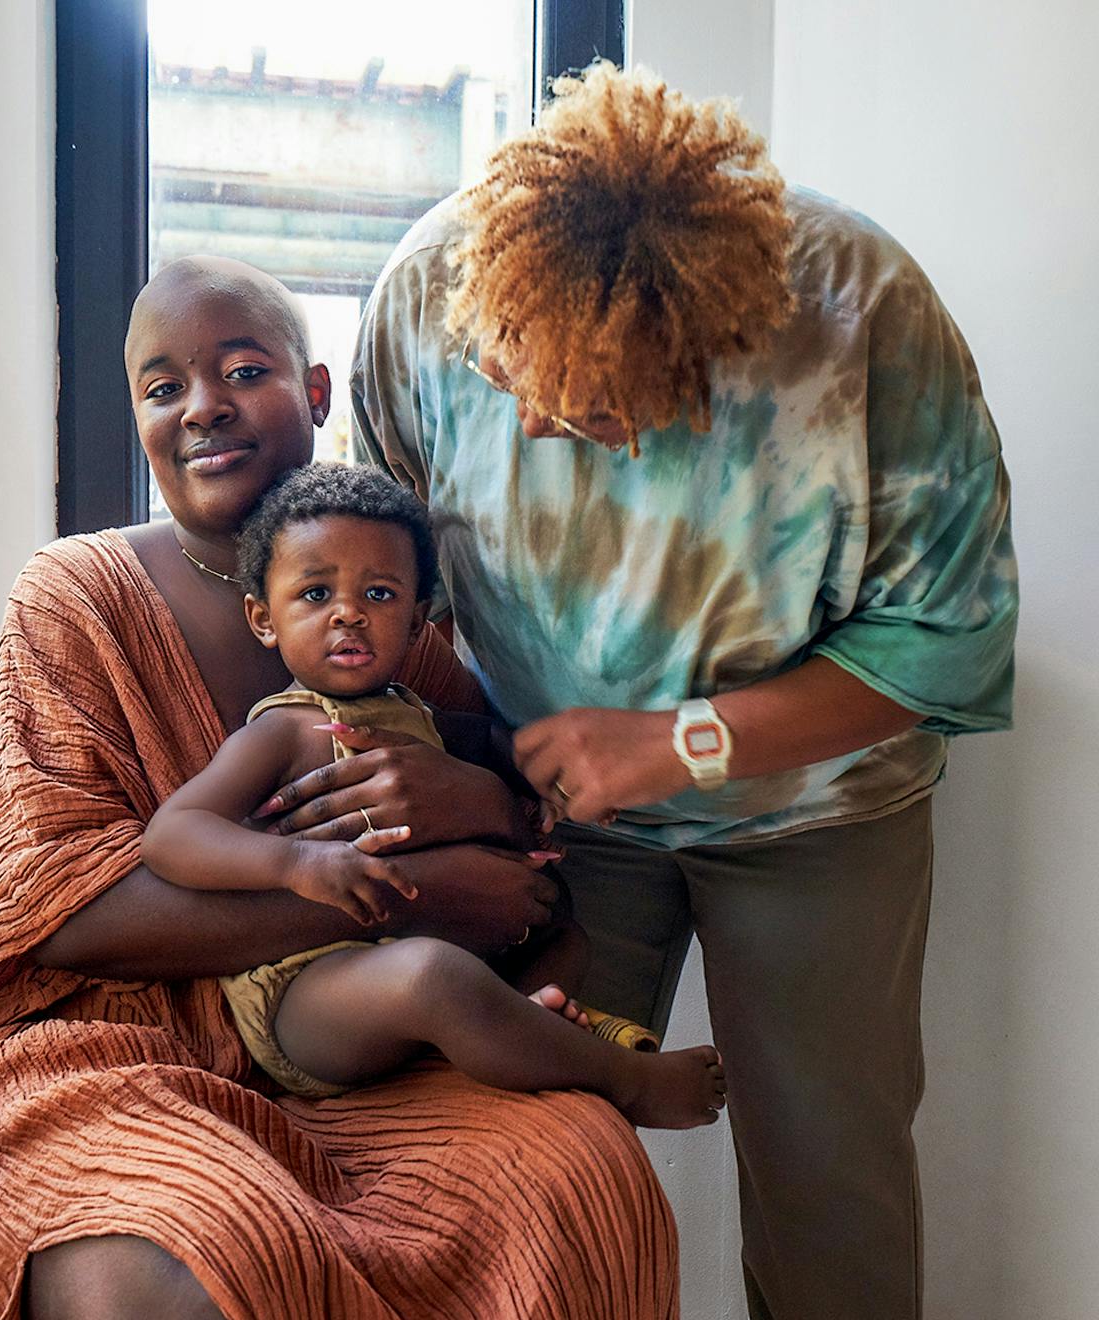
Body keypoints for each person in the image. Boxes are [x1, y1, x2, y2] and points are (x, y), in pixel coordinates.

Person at [0, 255, 682, 1319]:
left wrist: (483, 812)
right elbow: (54, 919)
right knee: (193, 1259)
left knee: (577, 1173)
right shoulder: (76, 595)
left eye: (241, 369)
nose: (202, 407)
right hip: (91, 1049)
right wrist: (423, 894)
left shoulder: (384, 614)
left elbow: (503, 813)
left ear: (313, 394)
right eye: (163, 389)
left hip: (350, 1048)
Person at [350, 62, 1018, 1320]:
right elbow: (385, 578)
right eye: (513, 383)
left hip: (820, 818)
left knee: (830, 1199)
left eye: (596, 410)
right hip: (550, 812)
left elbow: (948, 639)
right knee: (499, 1167)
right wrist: (453, 766)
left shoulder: (858, 308)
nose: (540, 426)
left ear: (708, 352)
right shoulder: (424, 293)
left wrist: (680, 743)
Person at [141, 460, 728, 1124]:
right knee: (433, 978)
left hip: (417, 961)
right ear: (262, 617)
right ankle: (627, 1079)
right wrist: (297, 864)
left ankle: (530, 1028)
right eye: (314, 594)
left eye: (381, 595)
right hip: (309, 994)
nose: (350, 616)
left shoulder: (414, 714)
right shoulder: (282, 730)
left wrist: (542, 795)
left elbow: (492, 747)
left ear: (420, 623)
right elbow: (172, 835)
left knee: (565, 940)